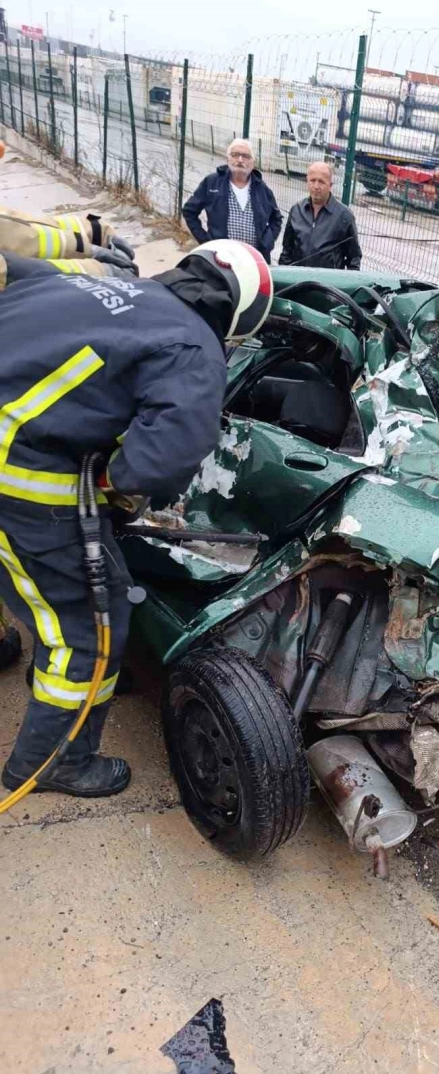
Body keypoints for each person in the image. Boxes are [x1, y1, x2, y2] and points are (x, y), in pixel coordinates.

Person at [0, 240, 273, 798]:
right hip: (19, 483)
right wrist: (111, 483)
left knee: (31, 582)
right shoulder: (194, 346)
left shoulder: (96, 284)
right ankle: (54, 761)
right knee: (88, 629)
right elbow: (159, 462)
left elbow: (15, 270)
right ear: (239, 319)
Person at [182, 139, 282, 263]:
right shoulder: (212, 183)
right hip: (219, 259)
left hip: (253, 261)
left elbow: (276, 219)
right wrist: (206, 241)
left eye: (245, 156)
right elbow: (189, 211)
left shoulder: (262, 189)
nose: (240, 160)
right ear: (228, 159)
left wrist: (267, 242)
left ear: (253, 163)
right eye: (235, 155)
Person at [278, 161, 362, 270]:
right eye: (312, 180)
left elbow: (354, 258)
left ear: (330, 185)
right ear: (307, 181)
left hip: (327, 280)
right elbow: (286, 251)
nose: (316, 186)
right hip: (298, 278)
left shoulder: (344, 216)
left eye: (321, 182)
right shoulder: (296, 210)